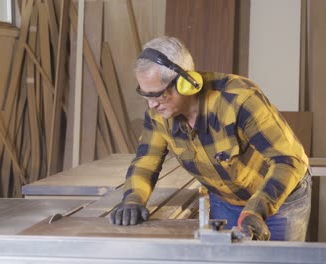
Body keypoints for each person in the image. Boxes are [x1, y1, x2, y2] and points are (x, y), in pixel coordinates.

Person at [109, 36, 311, 241]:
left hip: (280, 198)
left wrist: (256, 211)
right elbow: (146, 162)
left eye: (157, 94)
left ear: (185, 83)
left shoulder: (238, 100)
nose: (151, 104)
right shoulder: (158, 114)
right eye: (145, 94)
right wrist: (133, 200)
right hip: (227, 201)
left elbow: (288, 160)